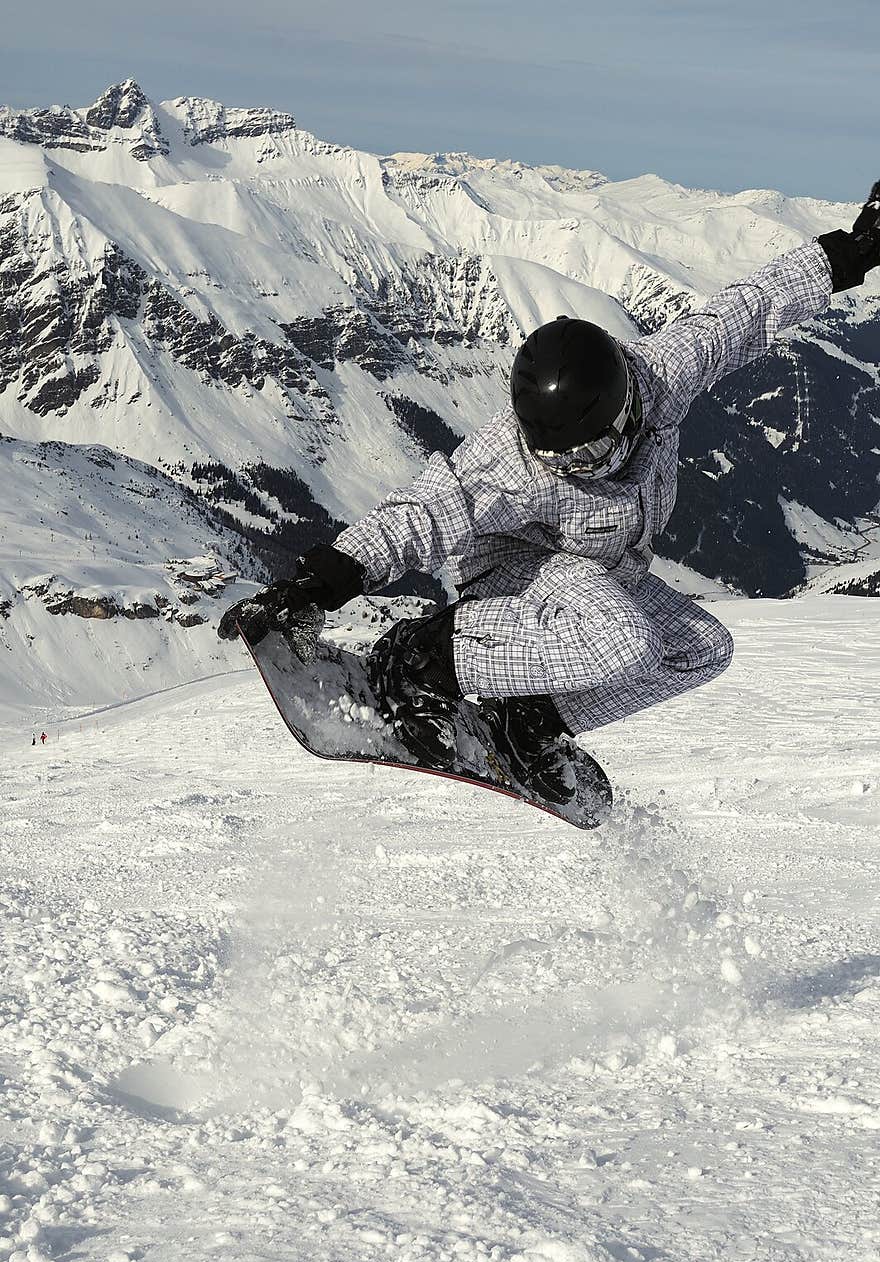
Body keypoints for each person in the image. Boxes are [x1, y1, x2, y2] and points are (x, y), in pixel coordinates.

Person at [221, 183, 880, 800]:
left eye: (589, 452)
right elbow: (421, 514)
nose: (574, 468)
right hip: (516, 567)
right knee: (624, 640)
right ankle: (420, 656)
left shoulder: (662, 377)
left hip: (600, 571)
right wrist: (314, 584)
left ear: (624, 414)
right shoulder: (511, 461)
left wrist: (853, 251)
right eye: (556, 456)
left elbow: (745, 311)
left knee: (702, 647)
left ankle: (529, 716)